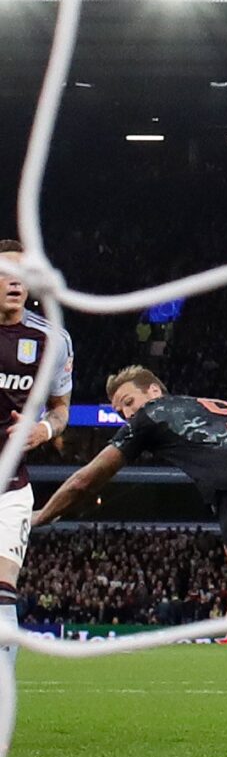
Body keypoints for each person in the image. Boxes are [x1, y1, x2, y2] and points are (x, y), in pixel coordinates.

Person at [34, 367, 227, 749]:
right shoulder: (222, 409)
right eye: (121, 412)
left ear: (154, 390)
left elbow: (87, 480)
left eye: (129, 403)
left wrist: (40, 517)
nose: (128, 415)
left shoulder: (152, 415)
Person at [0, 238, 73, 672]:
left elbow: (61, 409)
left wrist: (44, 429)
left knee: (3, 590)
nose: (15, 283)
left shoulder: (51, 340)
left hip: (10, 488)